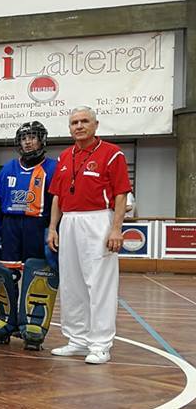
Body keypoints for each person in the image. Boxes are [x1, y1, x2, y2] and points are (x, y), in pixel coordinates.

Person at [47, 106, 131, 365]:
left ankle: (100, 344)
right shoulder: (64, 156)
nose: (79, 126)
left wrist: (116, 228)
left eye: (85, 121)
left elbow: (120, 193)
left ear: (96, 125)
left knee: (100, 284)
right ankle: (78, 339)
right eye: (74, 122)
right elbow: (58, 196)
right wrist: (53, 227)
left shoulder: (112, 153)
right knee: (72, 283)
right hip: (69, 221)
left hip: (98, 220)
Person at [0, 121, 60, 350]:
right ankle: (7, 322)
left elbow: (59, 204)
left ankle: (33, 325)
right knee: (5, 275)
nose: (28, 141)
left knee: (37, 275)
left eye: (33, 137)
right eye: (24, 137)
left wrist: (53, 230)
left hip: (38, 227)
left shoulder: (53, 168)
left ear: (42, 140)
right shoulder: (8, 168)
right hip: (10, 227)